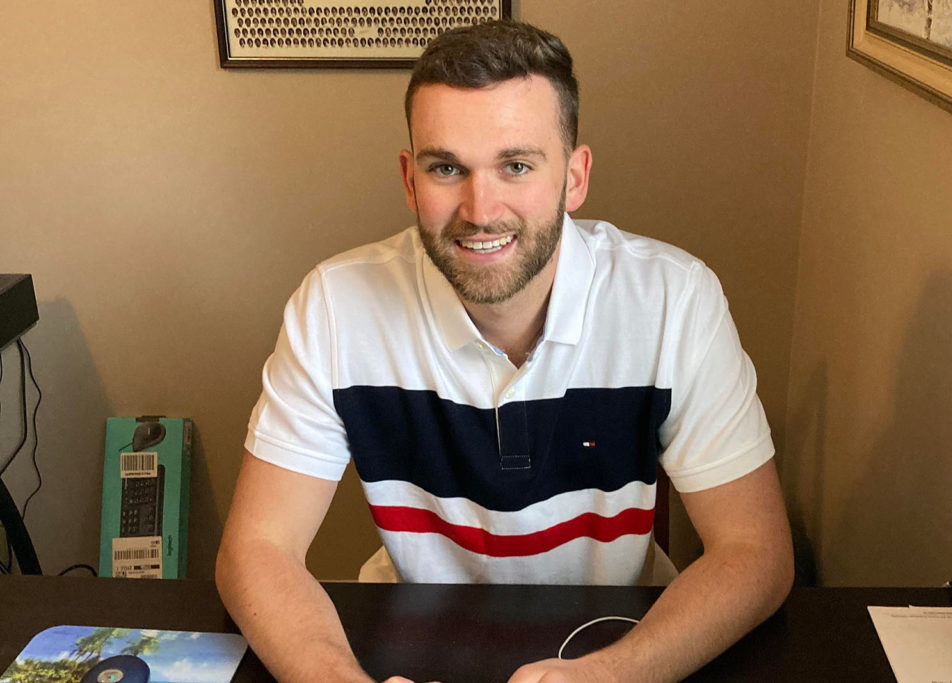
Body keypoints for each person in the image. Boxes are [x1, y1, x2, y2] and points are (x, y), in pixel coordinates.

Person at [216, 20, 793, 683]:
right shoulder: (334, 307)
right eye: (445, 168)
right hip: (409, 642)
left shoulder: (674, 299)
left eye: (515, 165)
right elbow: (257, 548)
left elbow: (757, 550)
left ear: (574, 177)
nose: (479, 207)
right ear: (410, 180)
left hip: (624, 641)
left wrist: (614, 674)